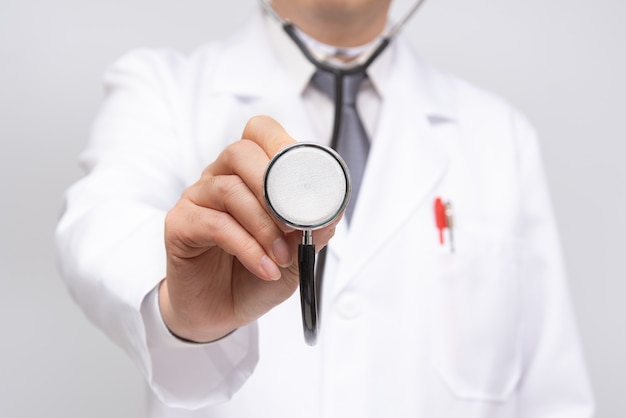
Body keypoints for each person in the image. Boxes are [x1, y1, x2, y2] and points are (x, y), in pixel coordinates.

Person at [56, 0, 595, 416]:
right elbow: (100, 228)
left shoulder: (499, 135)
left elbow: (553, 396)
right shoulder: (163, 92)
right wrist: (181, 308)